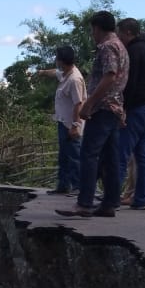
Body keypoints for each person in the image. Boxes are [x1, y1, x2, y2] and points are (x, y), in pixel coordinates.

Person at [55, 11, 129, 218]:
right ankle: (110, 202)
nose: (92, 34)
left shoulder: (107, 47)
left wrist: (90, 103)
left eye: (92, 30)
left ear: (97, 28)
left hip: (103, 108)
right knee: (110, 157)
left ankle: (84, 203)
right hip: (115, 107)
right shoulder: (122, 47)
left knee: (89, 154)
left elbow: (109, 76)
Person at [116, 18, 145, 210]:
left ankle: (111, 196)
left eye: (119, 34)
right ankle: (142, 198)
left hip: (137, 108)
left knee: (121, 153)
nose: (118, 38)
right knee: (143, 157)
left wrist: (123, 108)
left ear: (127, 33)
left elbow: (130, 83)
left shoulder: (132, 52)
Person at [38, 45, 87, 196]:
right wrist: (43, 72)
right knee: (64, 156)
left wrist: (75, 125)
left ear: (61, 61)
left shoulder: (74, 79)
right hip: (63, 122)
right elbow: (56, 73)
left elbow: (78, 103)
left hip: (70, 124)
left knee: (74, 156)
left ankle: (78, 186)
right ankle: (63, 185)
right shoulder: (66, 74)